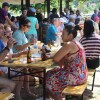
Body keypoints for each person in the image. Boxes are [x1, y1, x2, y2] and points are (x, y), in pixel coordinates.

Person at [46, 25, 88, 100]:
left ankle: (57, 97)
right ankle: (50, 97)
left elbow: (56, 59)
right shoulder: (76, 42)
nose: (61, 36)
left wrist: (51, 56)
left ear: (70, 35)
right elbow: (61, 61)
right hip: (82, 74)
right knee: (49, 73)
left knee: (48, 80)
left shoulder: (69, 44)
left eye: (63, 34)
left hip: (75, 76)